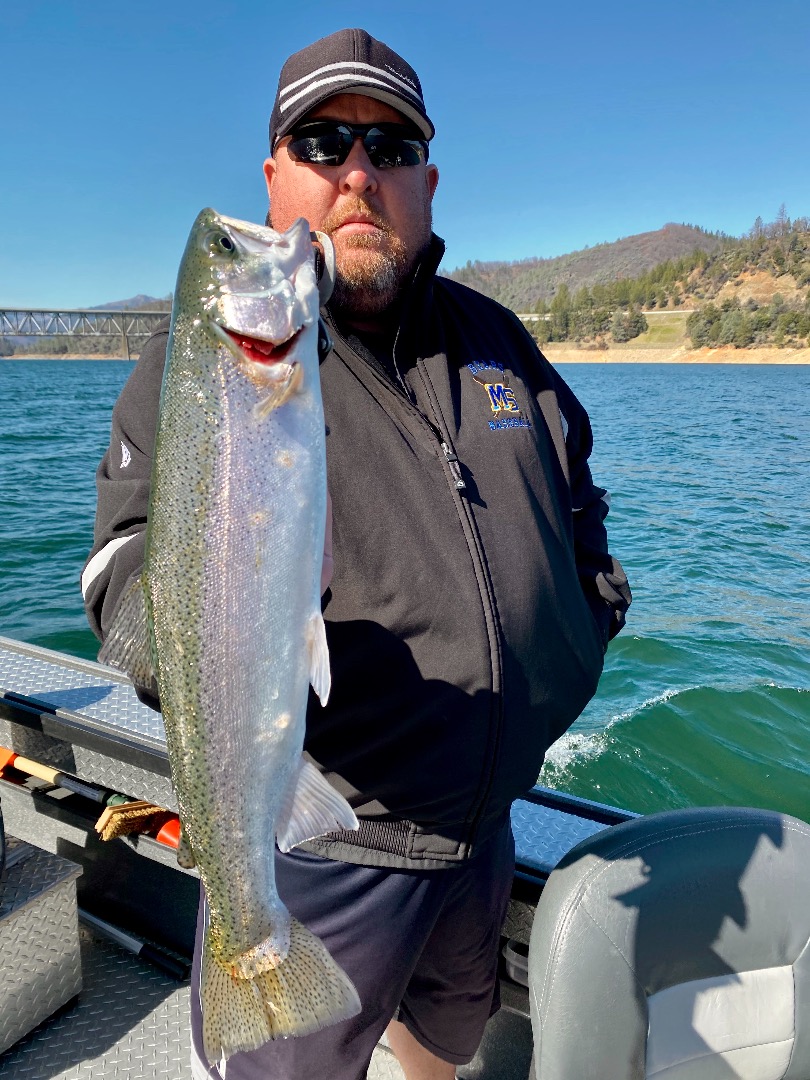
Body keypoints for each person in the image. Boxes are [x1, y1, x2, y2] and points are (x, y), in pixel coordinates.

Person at [82, 28, 630, 1080]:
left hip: (482, 831)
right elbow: (119, 572)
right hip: (324, 840)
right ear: (275, 172)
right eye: (324, 141)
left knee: (447, 1041)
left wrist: (586, 615)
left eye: (389, 145)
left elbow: (579, 499)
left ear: (428, 177)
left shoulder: (500, 342)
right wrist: (197, 634)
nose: (358, 174)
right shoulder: (201, 365)